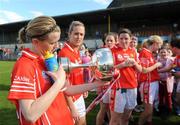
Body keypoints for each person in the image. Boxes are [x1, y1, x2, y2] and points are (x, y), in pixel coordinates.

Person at [8, 16, 109, 125]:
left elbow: (67, 90)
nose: (56, 46)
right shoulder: (24, 65)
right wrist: (58, 83)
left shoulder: (48, 60)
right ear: (36, 42)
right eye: (52, 43)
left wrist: (99, 83)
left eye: (57, 41)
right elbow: (30, 115)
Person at [109, 28, 142, 125]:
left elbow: (140, 70)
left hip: (132, 88)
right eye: (121, 38)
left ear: (130, 39)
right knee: (115, 119)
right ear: (118, 39)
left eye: (126, 38)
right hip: (118, 89)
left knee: (126, 118)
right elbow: (107, 70)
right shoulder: (111, 51)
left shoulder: (133, 51)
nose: (124, 41)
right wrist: (122, 65)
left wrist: (135, 63)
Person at [58, 21, 88, 125]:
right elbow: (62, 84)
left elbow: (78, 73)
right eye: (76, 33)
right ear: (69, 34)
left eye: (81, 34)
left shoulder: (76, 51)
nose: (79, 37)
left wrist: (83, 88)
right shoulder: (64, 53)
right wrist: (72, 107)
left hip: (78, 95)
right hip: (71, 99)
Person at [138, 35, 163, 125]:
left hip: (152, 83)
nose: (160, 47)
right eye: (160, 45)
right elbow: (144, 70)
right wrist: (156, 65)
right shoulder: (144, 52)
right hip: (148, 84)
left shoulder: (149, 53)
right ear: (155, 43)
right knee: (148, 109)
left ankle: (149, 122)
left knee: (150, 108)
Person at [96, 32, 117, 125]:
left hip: (114, 84)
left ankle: (109, 122)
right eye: (107, 40)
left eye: (111, 40)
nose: (109, 42)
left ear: (115, 42)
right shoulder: (100, 52)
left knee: (110, 108)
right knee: (103, 108)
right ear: (104, 41)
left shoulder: (116, 52)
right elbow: (95, 69)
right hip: (104, 83)